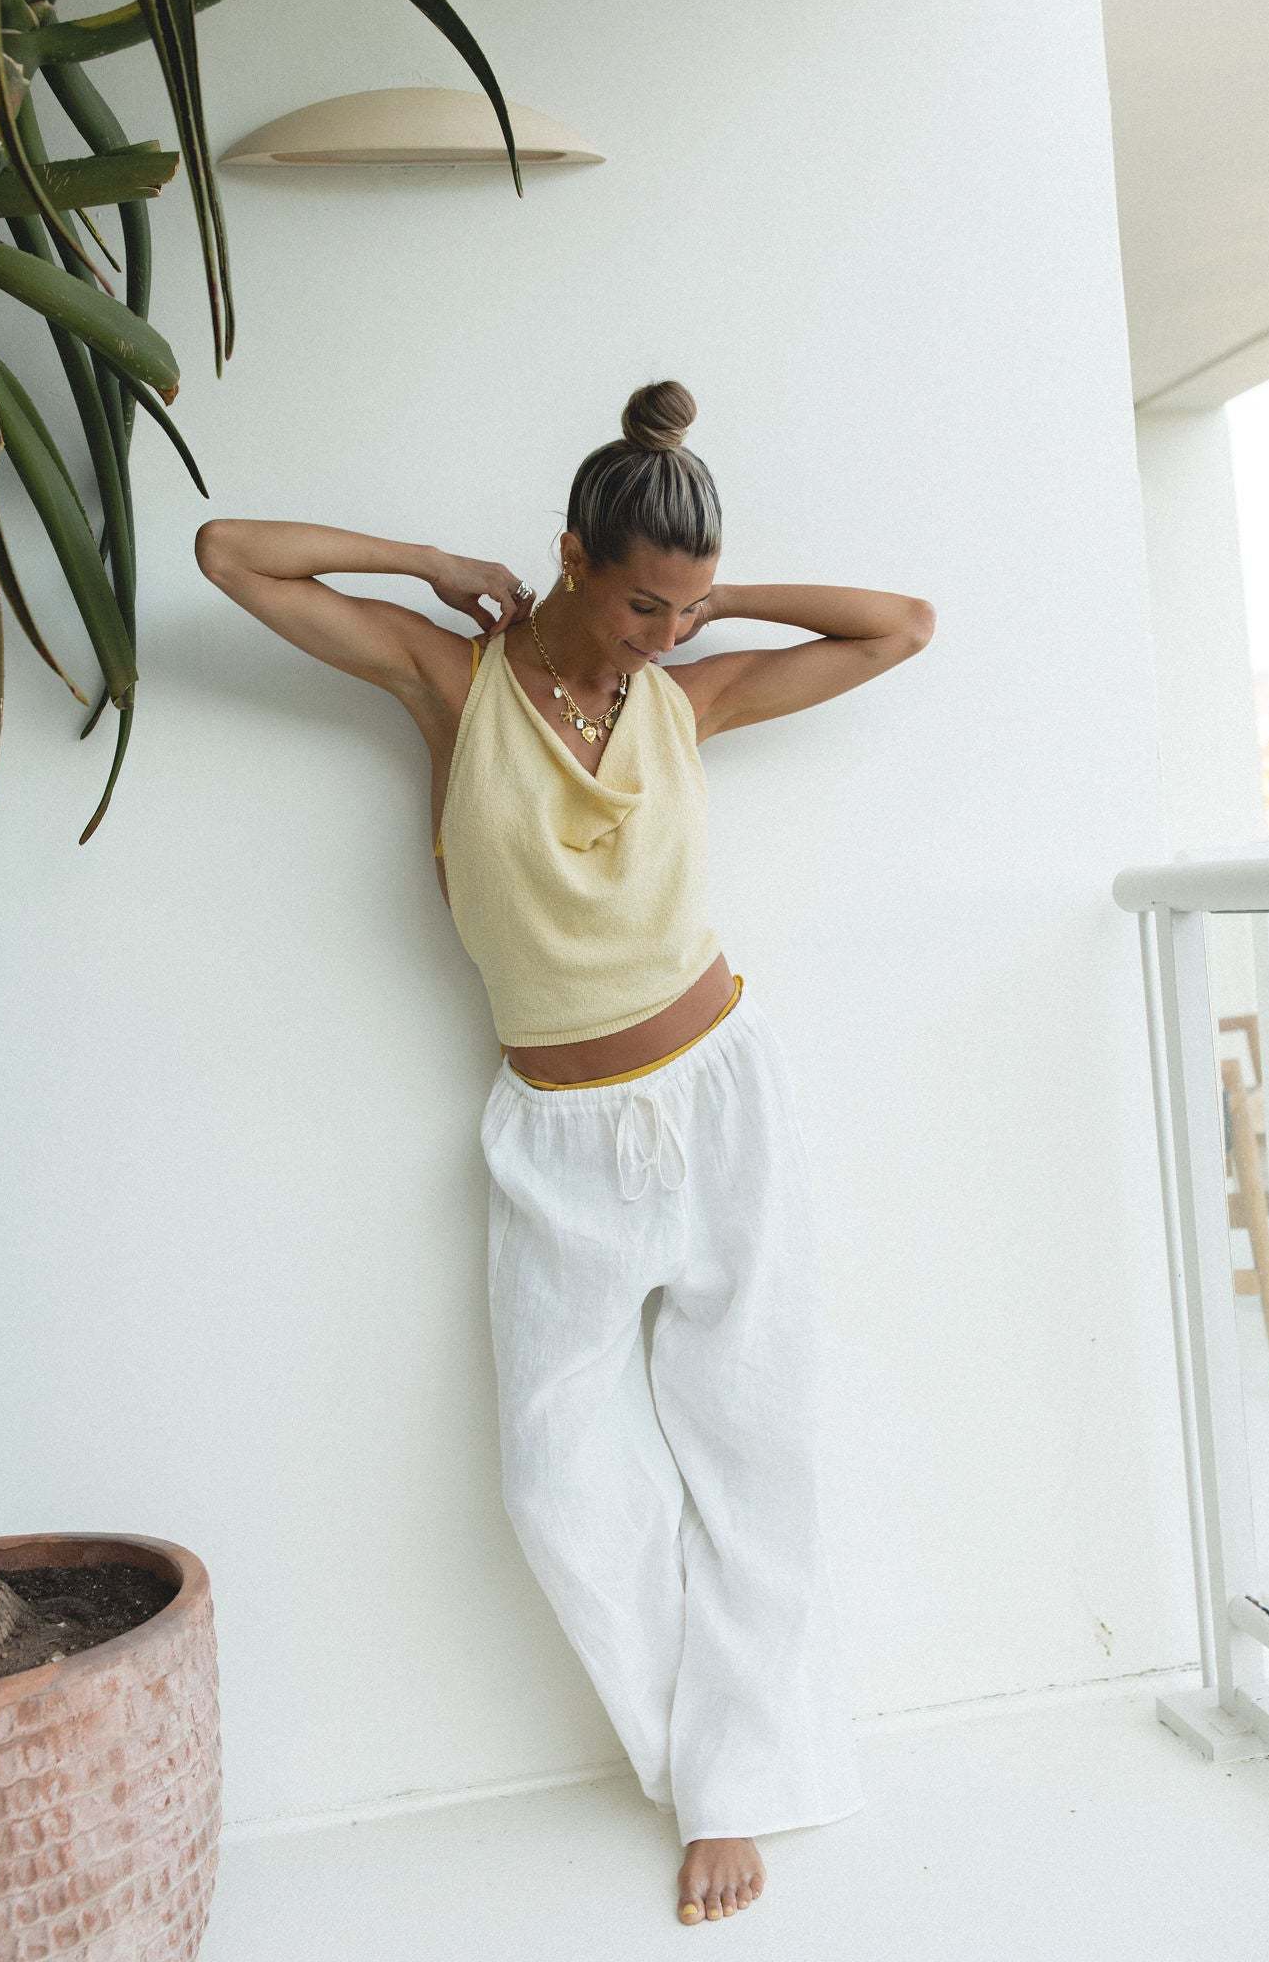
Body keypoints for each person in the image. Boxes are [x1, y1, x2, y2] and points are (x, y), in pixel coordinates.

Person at [195, 378, 934, 1924]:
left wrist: (718, 605)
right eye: (640, 602)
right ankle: (697, 1754)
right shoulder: (451, 683)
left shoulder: (688, 696)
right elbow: (229, 554)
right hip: (557, 1131)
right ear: (569, 560)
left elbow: (899, 627)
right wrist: (427, 565)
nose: (660, 635)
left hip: (720, 1097)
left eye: (684, 608)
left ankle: (733, 1790)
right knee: (552, 1478)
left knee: (753, 1448)